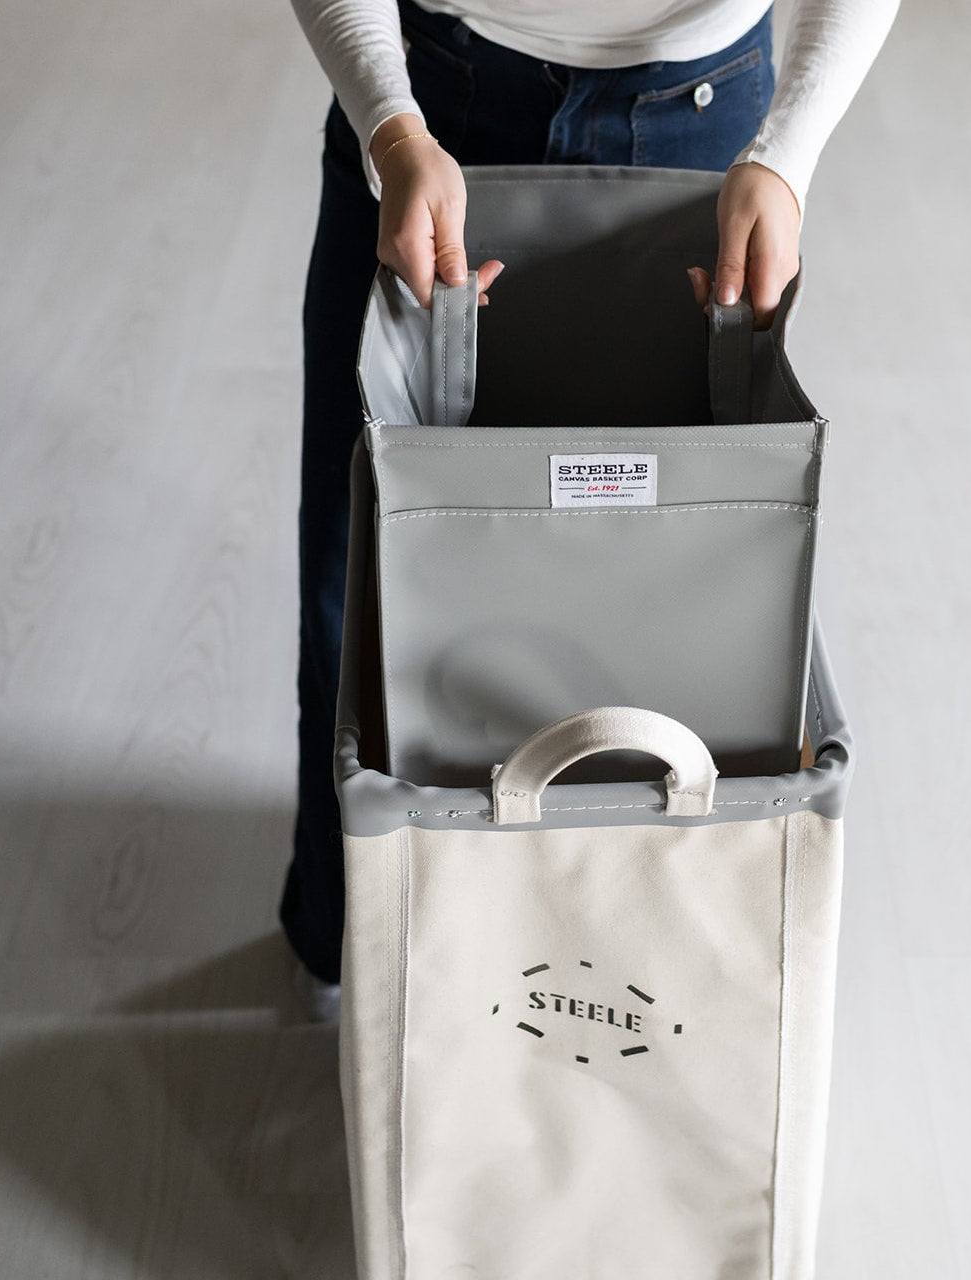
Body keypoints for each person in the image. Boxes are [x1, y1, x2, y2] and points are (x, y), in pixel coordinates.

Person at [281, 0, 900, 1008]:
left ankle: (645, 984)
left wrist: (786, 155)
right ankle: (368, 952)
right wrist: (388, 126)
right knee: (358, 564)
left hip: (706, 131)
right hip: (427, 112)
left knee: (676, 617)